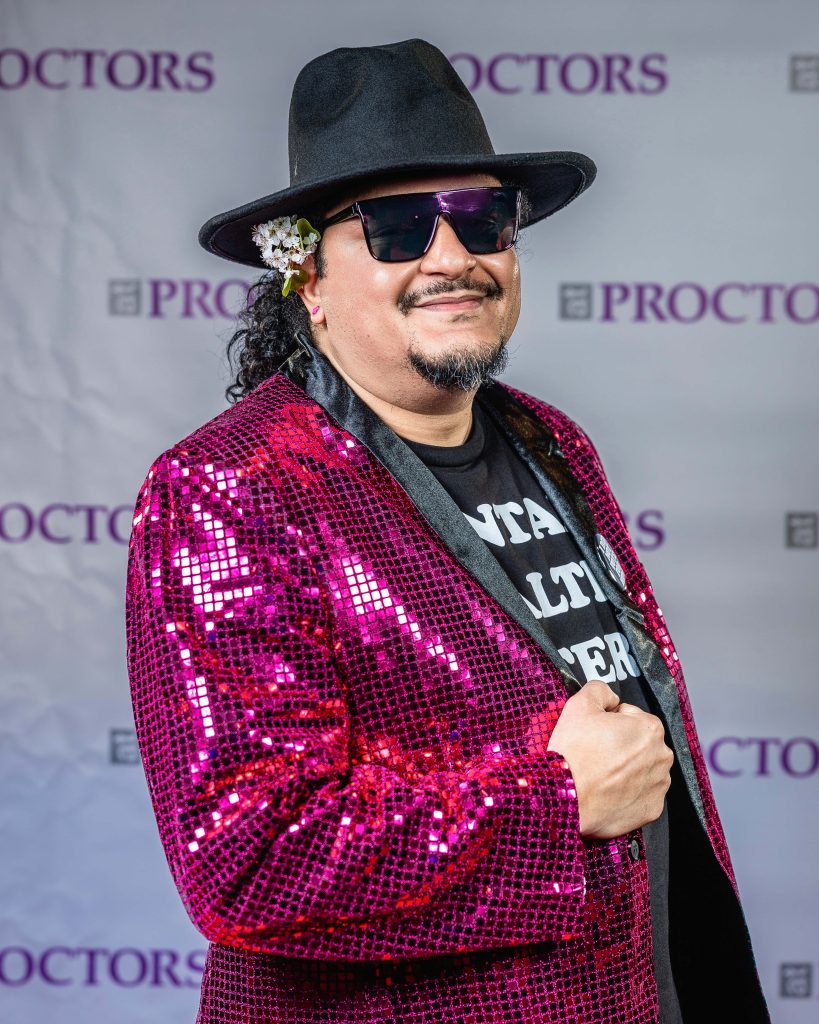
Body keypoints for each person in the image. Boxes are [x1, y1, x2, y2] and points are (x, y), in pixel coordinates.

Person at [125, 37, 771, 1024]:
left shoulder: (550, 440)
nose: (452, 257)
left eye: (480, 218)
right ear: (308, 279)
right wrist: (556, 803)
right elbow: (248, 863)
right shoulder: (232, 487)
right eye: (394, 229)